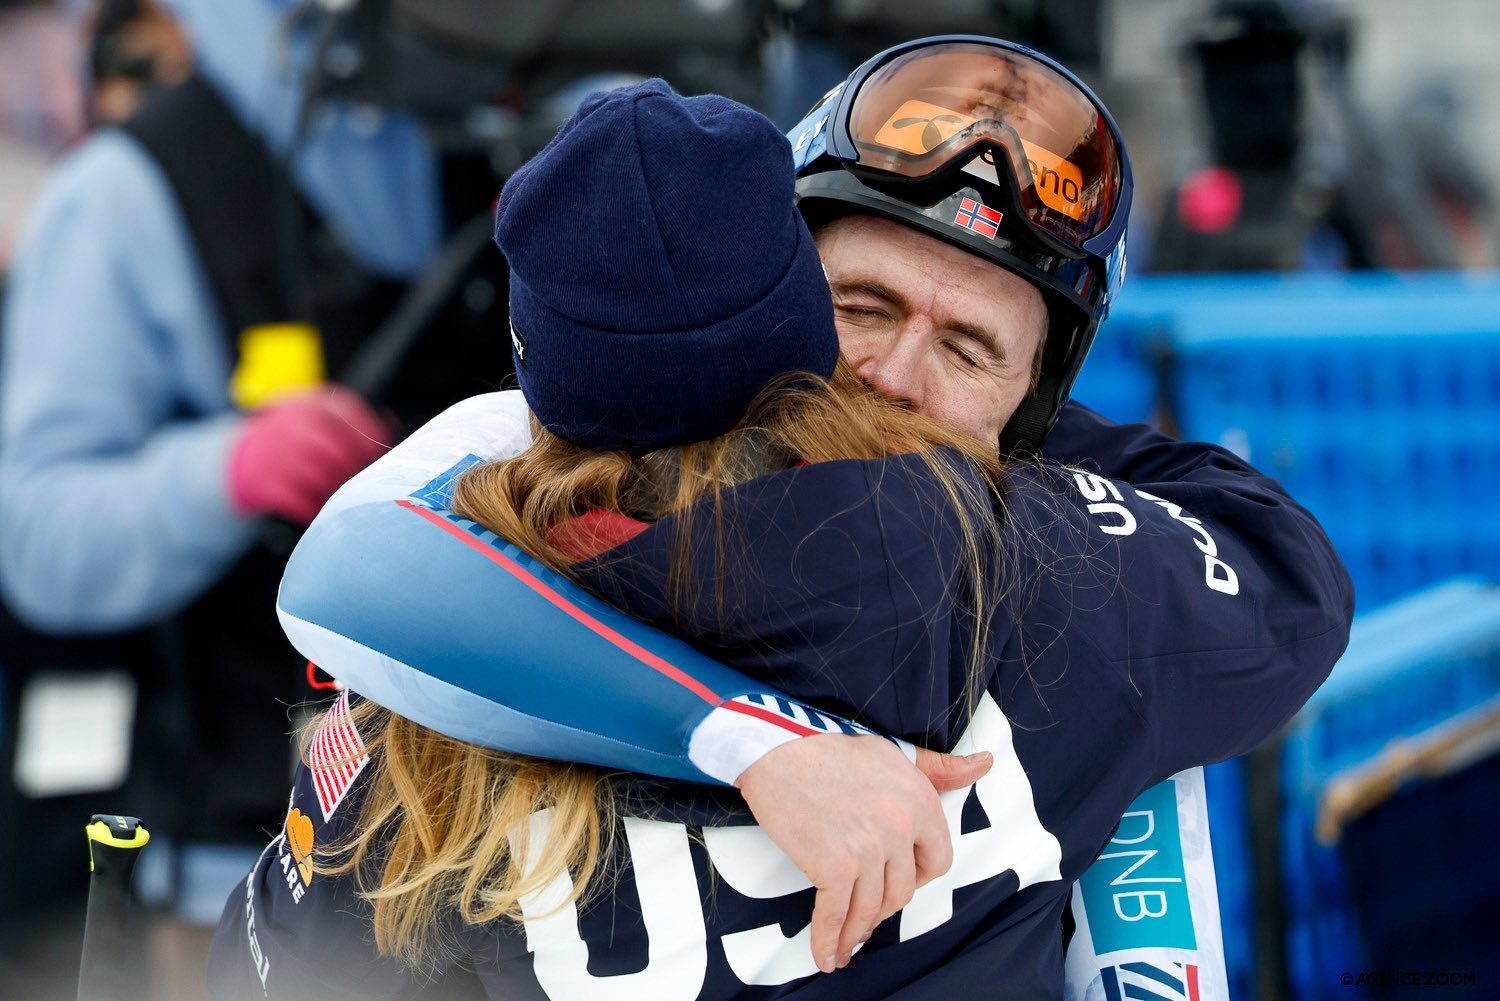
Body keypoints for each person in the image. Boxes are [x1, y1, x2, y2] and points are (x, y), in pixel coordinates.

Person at [210, 73, 1351, 999]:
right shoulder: (1055, 574)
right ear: (785, 298)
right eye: (862, 310)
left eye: (967, 351)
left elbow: (260, 966)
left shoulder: (425, 672)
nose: (899, 380)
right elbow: (1285, 568)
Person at [0, 0, 511, 955]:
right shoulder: (126, 193)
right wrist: (223, 472)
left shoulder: (499, 141)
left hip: (498, 863)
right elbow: (36, 536)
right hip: (239, 877)